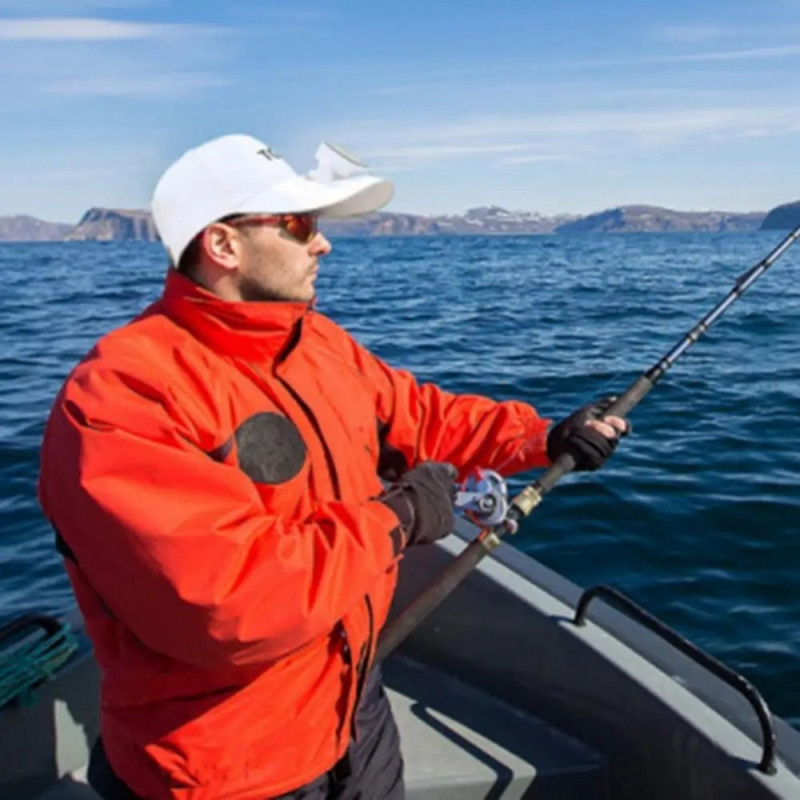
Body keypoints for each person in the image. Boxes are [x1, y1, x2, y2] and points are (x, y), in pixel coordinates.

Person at [38, 134, 629, 800]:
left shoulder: (314, 342)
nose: (323, 243)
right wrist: (400, 518)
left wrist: (542, 438)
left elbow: (422, 416)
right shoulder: (122, 396)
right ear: (223, 245)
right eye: (298, 225)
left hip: (352, 710)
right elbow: (227, 605)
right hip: (223, 769)